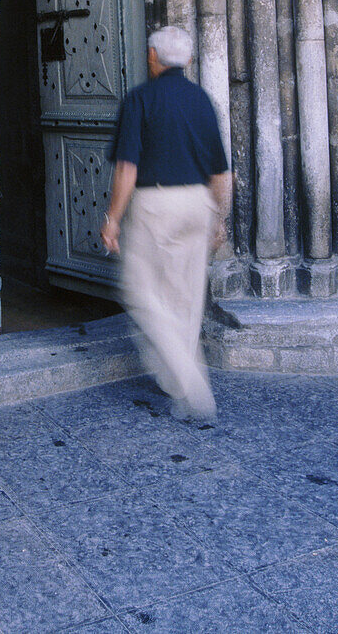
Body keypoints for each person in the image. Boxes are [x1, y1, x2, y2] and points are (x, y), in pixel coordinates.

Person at [100, 25, 232, 420]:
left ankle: (192, 386)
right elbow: (221, 173)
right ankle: (176, 386)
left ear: (152, 57)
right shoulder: (202, 100)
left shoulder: (140, 99)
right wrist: (219, 219)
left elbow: (127, 169)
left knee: (141, 291)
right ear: (189, 61)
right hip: (198, 203)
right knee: (186, 298)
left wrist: (112, 220)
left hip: (157, 203)